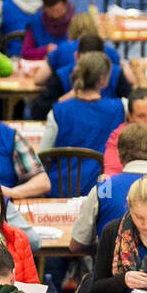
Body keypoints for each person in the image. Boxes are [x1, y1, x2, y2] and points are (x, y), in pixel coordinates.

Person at [69, 123, 147, 256]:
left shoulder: (104, 189)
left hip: (114, 274)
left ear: (118, 154)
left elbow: (76, 245)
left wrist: (105, 246)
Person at [40, 52, 125, 195]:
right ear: (103, 80)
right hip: (103, 192)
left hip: (60, 190)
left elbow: (42, 155)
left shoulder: (58, 111)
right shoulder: (119, 107)